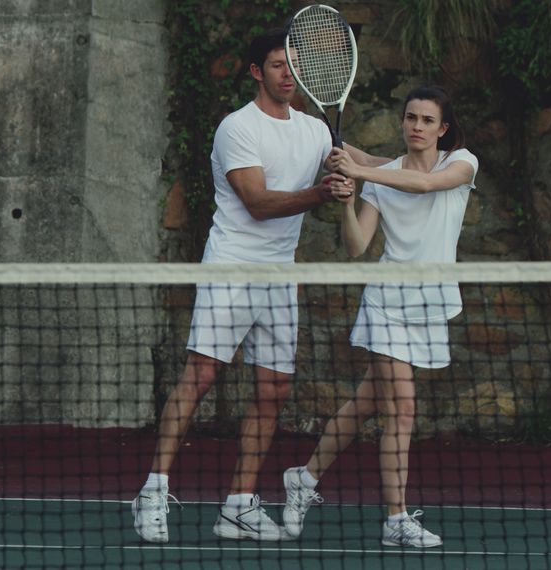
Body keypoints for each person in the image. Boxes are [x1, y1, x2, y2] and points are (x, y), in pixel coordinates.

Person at [131, 29, 386, 543]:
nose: (288, 74)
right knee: (200, 377)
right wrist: (320, 193)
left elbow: (373, 166)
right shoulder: (237, 128)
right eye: (276, 66)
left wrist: (441, 167)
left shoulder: (316, 130)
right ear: (256, 72)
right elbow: (258, 203)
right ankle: (152, 492)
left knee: (273, 391)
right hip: (231, 268)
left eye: (293, 66)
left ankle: (238, 506)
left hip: (279, 277)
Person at [280, 85, 478, 548]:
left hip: (429, 305)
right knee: (401, 410)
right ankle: (396, 520)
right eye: (411, 118)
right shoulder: (382, 177)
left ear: (443, 128)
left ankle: (303, 479)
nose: (417, 126)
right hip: (388, 302)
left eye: (428, 120)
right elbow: (356, 247)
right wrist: (350, 198)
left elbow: (425, 185)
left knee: (366, 403)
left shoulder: (462, 163)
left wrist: (366, 168)